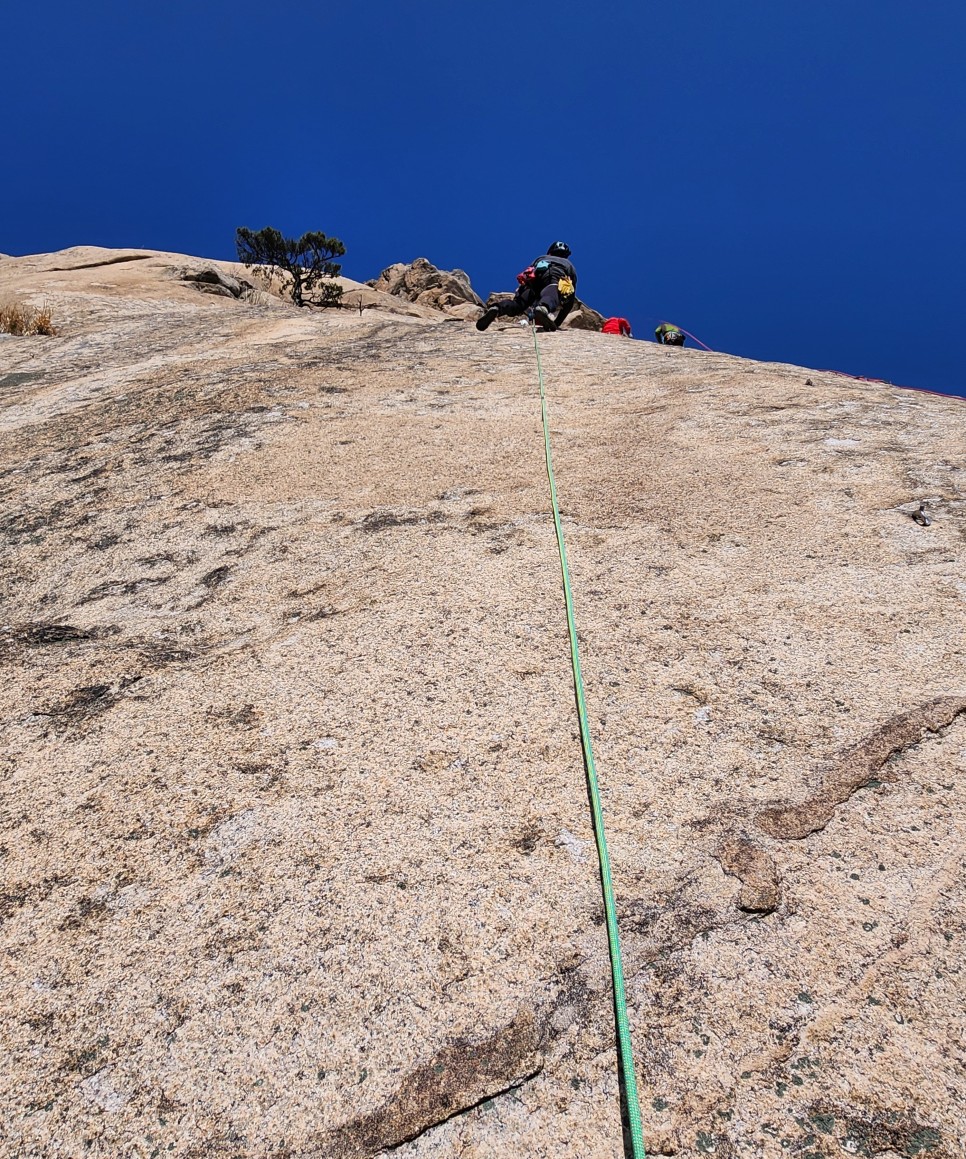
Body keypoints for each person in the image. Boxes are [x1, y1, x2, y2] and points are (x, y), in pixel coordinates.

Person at [476, 242, 577, 332]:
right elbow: (570, 292)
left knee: (518, 305)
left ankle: (497, 308)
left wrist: (520, 293)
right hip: (554, 276)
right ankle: (543, 308)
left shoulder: (540, 258)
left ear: (550, 252)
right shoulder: (569, 264)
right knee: (551, 293)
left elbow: (528, 273)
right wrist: (557, 323)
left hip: (533, 280)